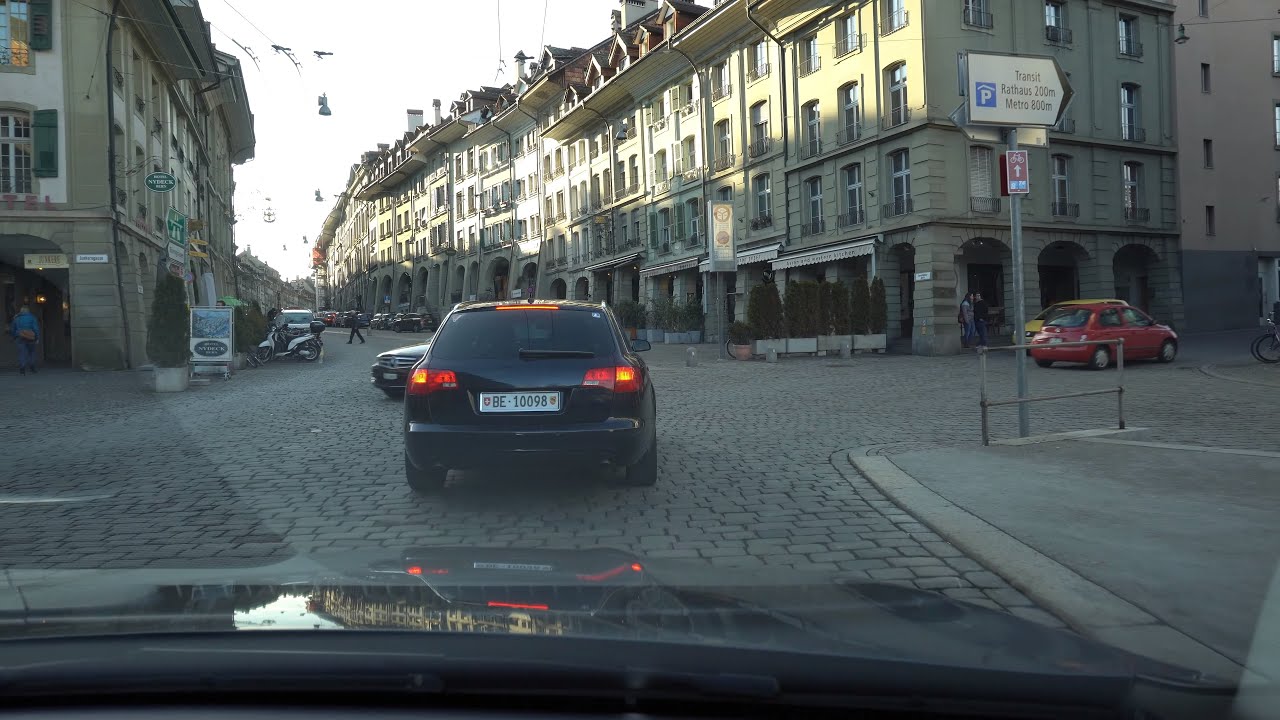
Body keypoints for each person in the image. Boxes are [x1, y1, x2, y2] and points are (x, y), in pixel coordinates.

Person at [10, 304, 40, 375]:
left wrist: (14, 336)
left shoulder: (16, 318)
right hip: (30, 337)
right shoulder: (32, 317)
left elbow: (13, 329)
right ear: (28, 310)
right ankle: (32, 367)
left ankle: (22, 368)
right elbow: (35, 328)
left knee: (22, 353)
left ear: (21, 311)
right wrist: (37, 337)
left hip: (20, 337)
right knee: (31, 352)